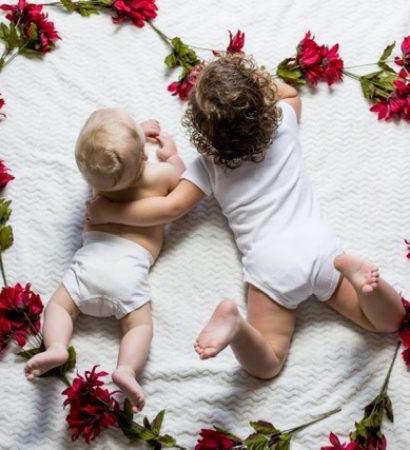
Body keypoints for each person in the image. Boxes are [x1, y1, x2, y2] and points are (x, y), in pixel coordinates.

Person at [86, 55, 405, 380]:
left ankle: (236, 326)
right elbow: (290, 93)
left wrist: (110, 210)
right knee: (387, 321)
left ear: (201, 127)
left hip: (272, 268)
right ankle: (363, 281)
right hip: (322, 253)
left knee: (268, 363)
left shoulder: (209, 165)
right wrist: (247, 84)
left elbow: (169, 208)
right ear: (263, 102)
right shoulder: (283, 123)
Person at [24, 108, 185, 411]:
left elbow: (111, 157)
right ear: (142, 159)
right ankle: (126, 368)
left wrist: (135, 134)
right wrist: (171, 153)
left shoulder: (100, 180)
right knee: (138, 327)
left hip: (89, 265)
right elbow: (179, 171)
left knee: (59, 306)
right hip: (129, 273)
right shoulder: (157, 175)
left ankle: (57, 346)